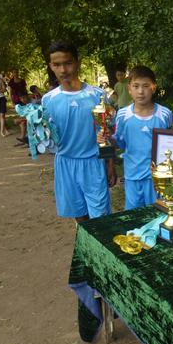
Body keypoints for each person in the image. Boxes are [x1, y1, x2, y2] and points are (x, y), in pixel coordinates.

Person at [42, 40, 117, 222]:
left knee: (100, 219)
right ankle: (85, 247)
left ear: (77, 62)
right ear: (51, 66)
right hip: (65, 164)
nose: (62, 70)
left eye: (67, 63)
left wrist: (110, 164)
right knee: (79, 215)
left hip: (93, 163)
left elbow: (108, 133)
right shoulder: (48, 100)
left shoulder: (97, 95)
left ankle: (99, 249)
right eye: (57, 65)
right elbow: (47, 136)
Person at [112, 65, 173, 210]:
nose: (140, 91)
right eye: (136, 86)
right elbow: (119, 142)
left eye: (146, 86)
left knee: (158, 214)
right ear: (129, 89)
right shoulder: (122, 115)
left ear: (153, 88)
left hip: (158, 177)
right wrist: (106, 138)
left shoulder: (165, 114)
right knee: (135, 216)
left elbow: (171, 144)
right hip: (132, 175)